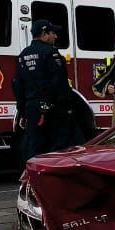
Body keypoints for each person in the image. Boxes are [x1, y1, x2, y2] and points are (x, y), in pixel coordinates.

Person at [13, 19, 73, 160]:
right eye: (53, 33)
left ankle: (32, 177)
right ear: (44, 34)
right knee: (58, 146)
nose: (56, 37)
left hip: (31, 108)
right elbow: (59, 82)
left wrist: (22, 111)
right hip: (52, 108)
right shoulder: (51, 53)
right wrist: (67, 107)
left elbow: (17, 85)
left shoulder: (23, 55)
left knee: (34, 145)